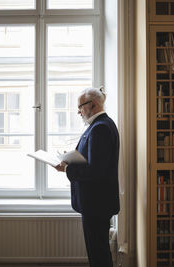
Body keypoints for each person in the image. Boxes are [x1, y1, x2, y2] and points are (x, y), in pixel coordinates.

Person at [55, 87, 120, 267]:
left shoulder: (100, 128)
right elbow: (93, 162)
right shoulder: (100, 125)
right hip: (97, 202)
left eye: (80, 106)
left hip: (96, 203)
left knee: (97, 252)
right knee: (97, 250)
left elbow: (95, 170)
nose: (78, 111)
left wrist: (67, 169)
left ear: (92, 105)